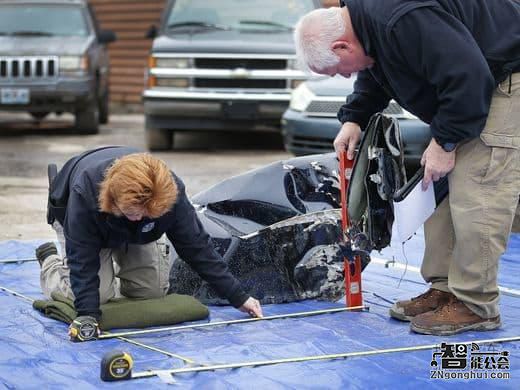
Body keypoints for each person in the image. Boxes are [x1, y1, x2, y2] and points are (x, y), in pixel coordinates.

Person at [294, 0, 519, 335]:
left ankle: (475, 304)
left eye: (338, 69)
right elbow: (374, 66)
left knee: (478, 190)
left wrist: (445, 142)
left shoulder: (400, 18)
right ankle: (446, 289)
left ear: (341, 44)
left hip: (504, 76)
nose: (344, 75)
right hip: (473, 80)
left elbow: (469, 75)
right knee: (438, 189)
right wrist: (355, 117)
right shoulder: (365, 24)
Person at [36, 146, 263, 340]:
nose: (137, 219)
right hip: (78, 216)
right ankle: (50, 262)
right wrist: (88, 316)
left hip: (137, 232)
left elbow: (197, 248)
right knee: (98, 295)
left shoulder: (169, 194)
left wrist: (238, 296)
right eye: (132, 213)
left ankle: (113, 265)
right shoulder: (85, 192)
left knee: (150, 291)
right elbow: (82, 261)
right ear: (113, 199)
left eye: (146, 215)